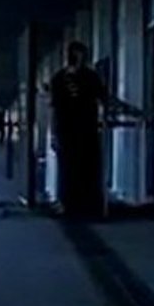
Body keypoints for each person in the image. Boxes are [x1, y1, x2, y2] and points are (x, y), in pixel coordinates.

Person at [50, 41, 107, 218]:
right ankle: (76, 205)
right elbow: (55, 106)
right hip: (77, 130)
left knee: (78, 168)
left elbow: (102, 97)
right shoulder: (86, 77)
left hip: (79, 130)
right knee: (74, 168)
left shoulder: (63, 77)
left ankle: (78, 205)